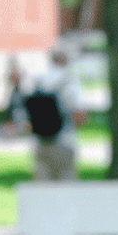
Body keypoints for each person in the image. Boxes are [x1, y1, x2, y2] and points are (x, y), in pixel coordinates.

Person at [23, 50, 84, 181]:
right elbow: (79, 115)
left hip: (40, 143)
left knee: (42, 188)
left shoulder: (38, 80)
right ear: (66, 60)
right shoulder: (70, 80)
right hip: (65, 141)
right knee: (66, 188)